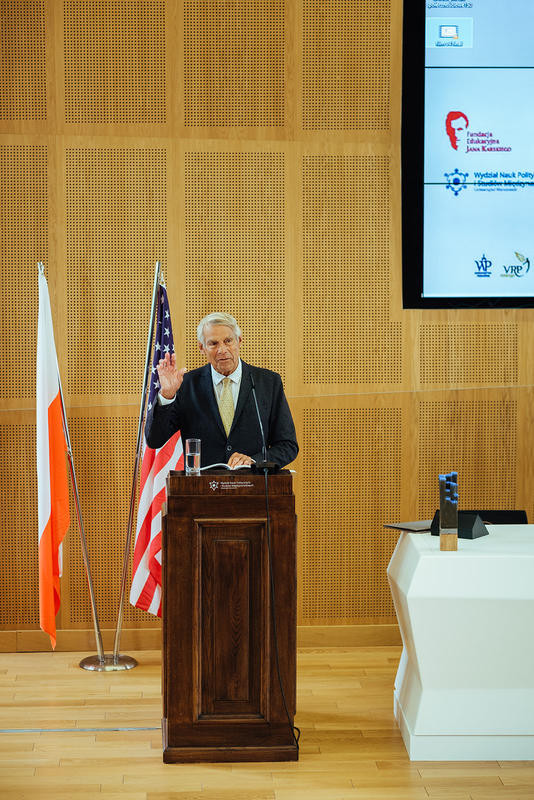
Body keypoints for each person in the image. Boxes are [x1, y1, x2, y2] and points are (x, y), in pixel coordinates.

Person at [145, 312, 298, 469]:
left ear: (239, 341)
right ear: (202, 348)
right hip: (202, 489)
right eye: (213, 343)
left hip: (253, 488)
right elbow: (154, 440)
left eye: (228, 341)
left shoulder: (268, 382)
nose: (222, 349)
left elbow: (288, 446)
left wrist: (253, 461)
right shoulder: (186, 385)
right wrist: (167, 395)